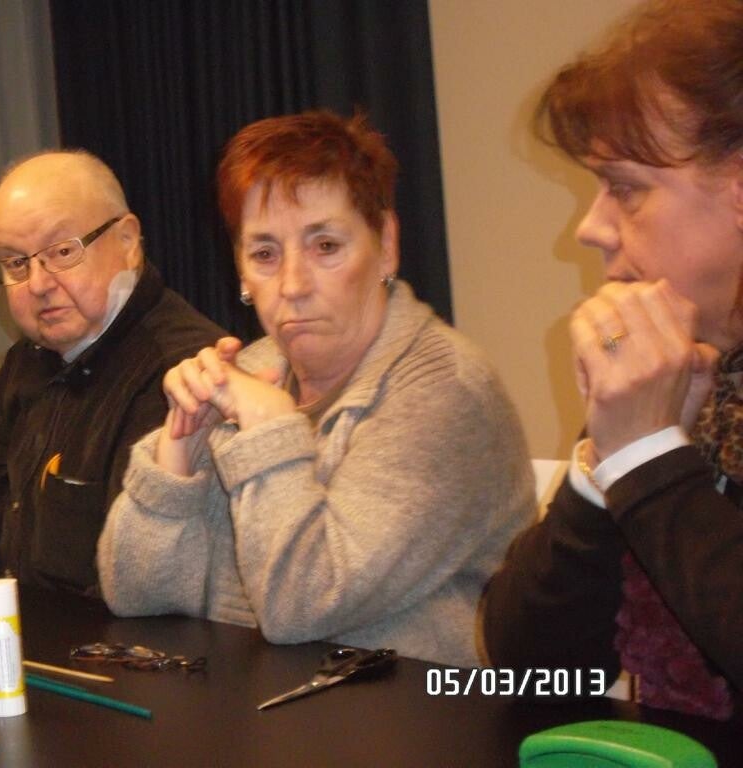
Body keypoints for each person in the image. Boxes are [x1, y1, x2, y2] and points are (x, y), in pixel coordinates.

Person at [98, 111, 535, 667]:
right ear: (241, 273)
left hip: (428, 711)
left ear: (386, 246)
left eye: (325, 246)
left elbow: (300, 606)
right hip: (254, 701)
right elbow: (133, 593)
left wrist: (269, 430)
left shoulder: (446, 392)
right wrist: (175, 459)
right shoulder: (250, 371)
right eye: (264, 254)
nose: (293, 285)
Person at [481, 0, 743, 720]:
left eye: (625, 188)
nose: (590, 228)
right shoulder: (682, 367)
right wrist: (607, 461)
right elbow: (530, 672)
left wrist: (650, 461)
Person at [0, 151, 223, 593]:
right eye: (16, 263)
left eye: (62, 252)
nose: (39, 284)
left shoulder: (183, 370)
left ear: (127, 240)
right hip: (26, 621)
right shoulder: (25, 361)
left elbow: (146, 577)